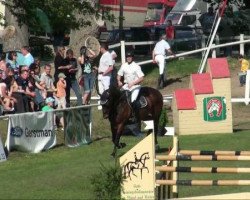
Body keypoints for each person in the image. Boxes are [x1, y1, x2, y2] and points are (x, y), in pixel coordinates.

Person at [117, 51, 144, 117]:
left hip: (135, 86)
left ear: (132, 57)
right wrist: (119, 81)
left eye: (130, 57)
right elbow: (119, 74)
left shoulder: (136, 66)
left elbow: (141, 78)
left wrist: (133, 83)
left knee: (132, 101)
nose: (128, 58)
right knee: (118, 97)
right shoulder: (124, 65)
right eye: (127, 57)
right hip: (126, 85)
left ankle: (133, 115)